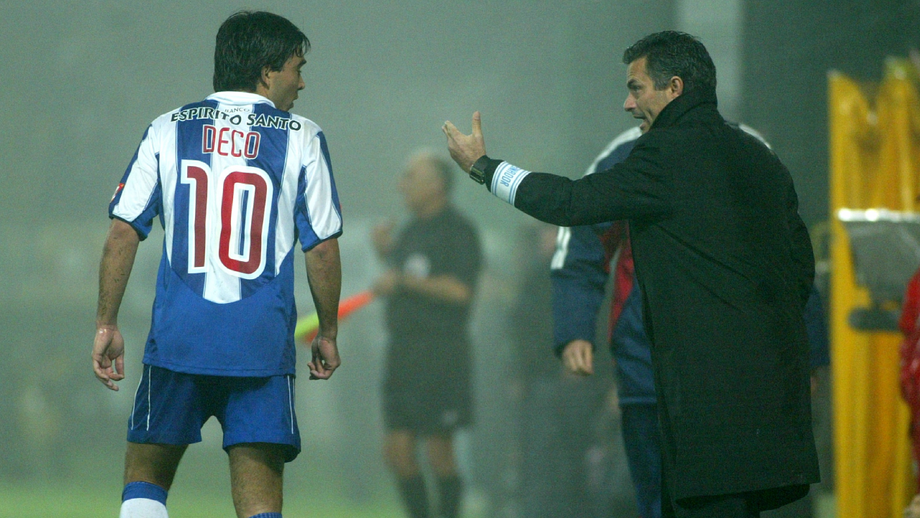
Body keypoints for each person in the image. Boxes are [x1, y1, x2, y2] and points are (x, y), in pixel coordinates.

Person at [443, 31, 819, 518]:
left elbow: (573, 203)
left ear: (675, 88)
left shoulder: (663, 155)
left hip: (705, 395)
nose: (626, 102)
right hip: (773, 392)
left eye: (637, 88)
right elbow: (801, 265)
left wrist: (485, 169)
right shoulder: (761, 158)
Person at [91, 11, 343, 518]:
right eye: (297, 66)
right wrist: (329, 330)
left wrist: (106, 323)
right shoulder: (302, 136)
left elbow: (123, 230)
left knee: (146, 478)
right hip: (259, 344)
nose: (302, 81)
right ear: (268, 70)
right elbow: (321, 248)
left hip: (178, 337)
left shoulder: (167, 128)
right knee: (259, 498)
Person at [372, 150, 483, 518]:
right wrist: (386, 253)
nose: (401, 185)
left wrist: (402, 280)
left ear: (436, 185)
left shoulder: (459, 231)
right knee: (397, 451)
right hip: (403, 352)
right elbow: (407, 278)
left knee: (439, 451)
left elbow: (460, 291)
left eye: (410, 177)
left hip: (441, 354)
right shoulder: (410, 231)